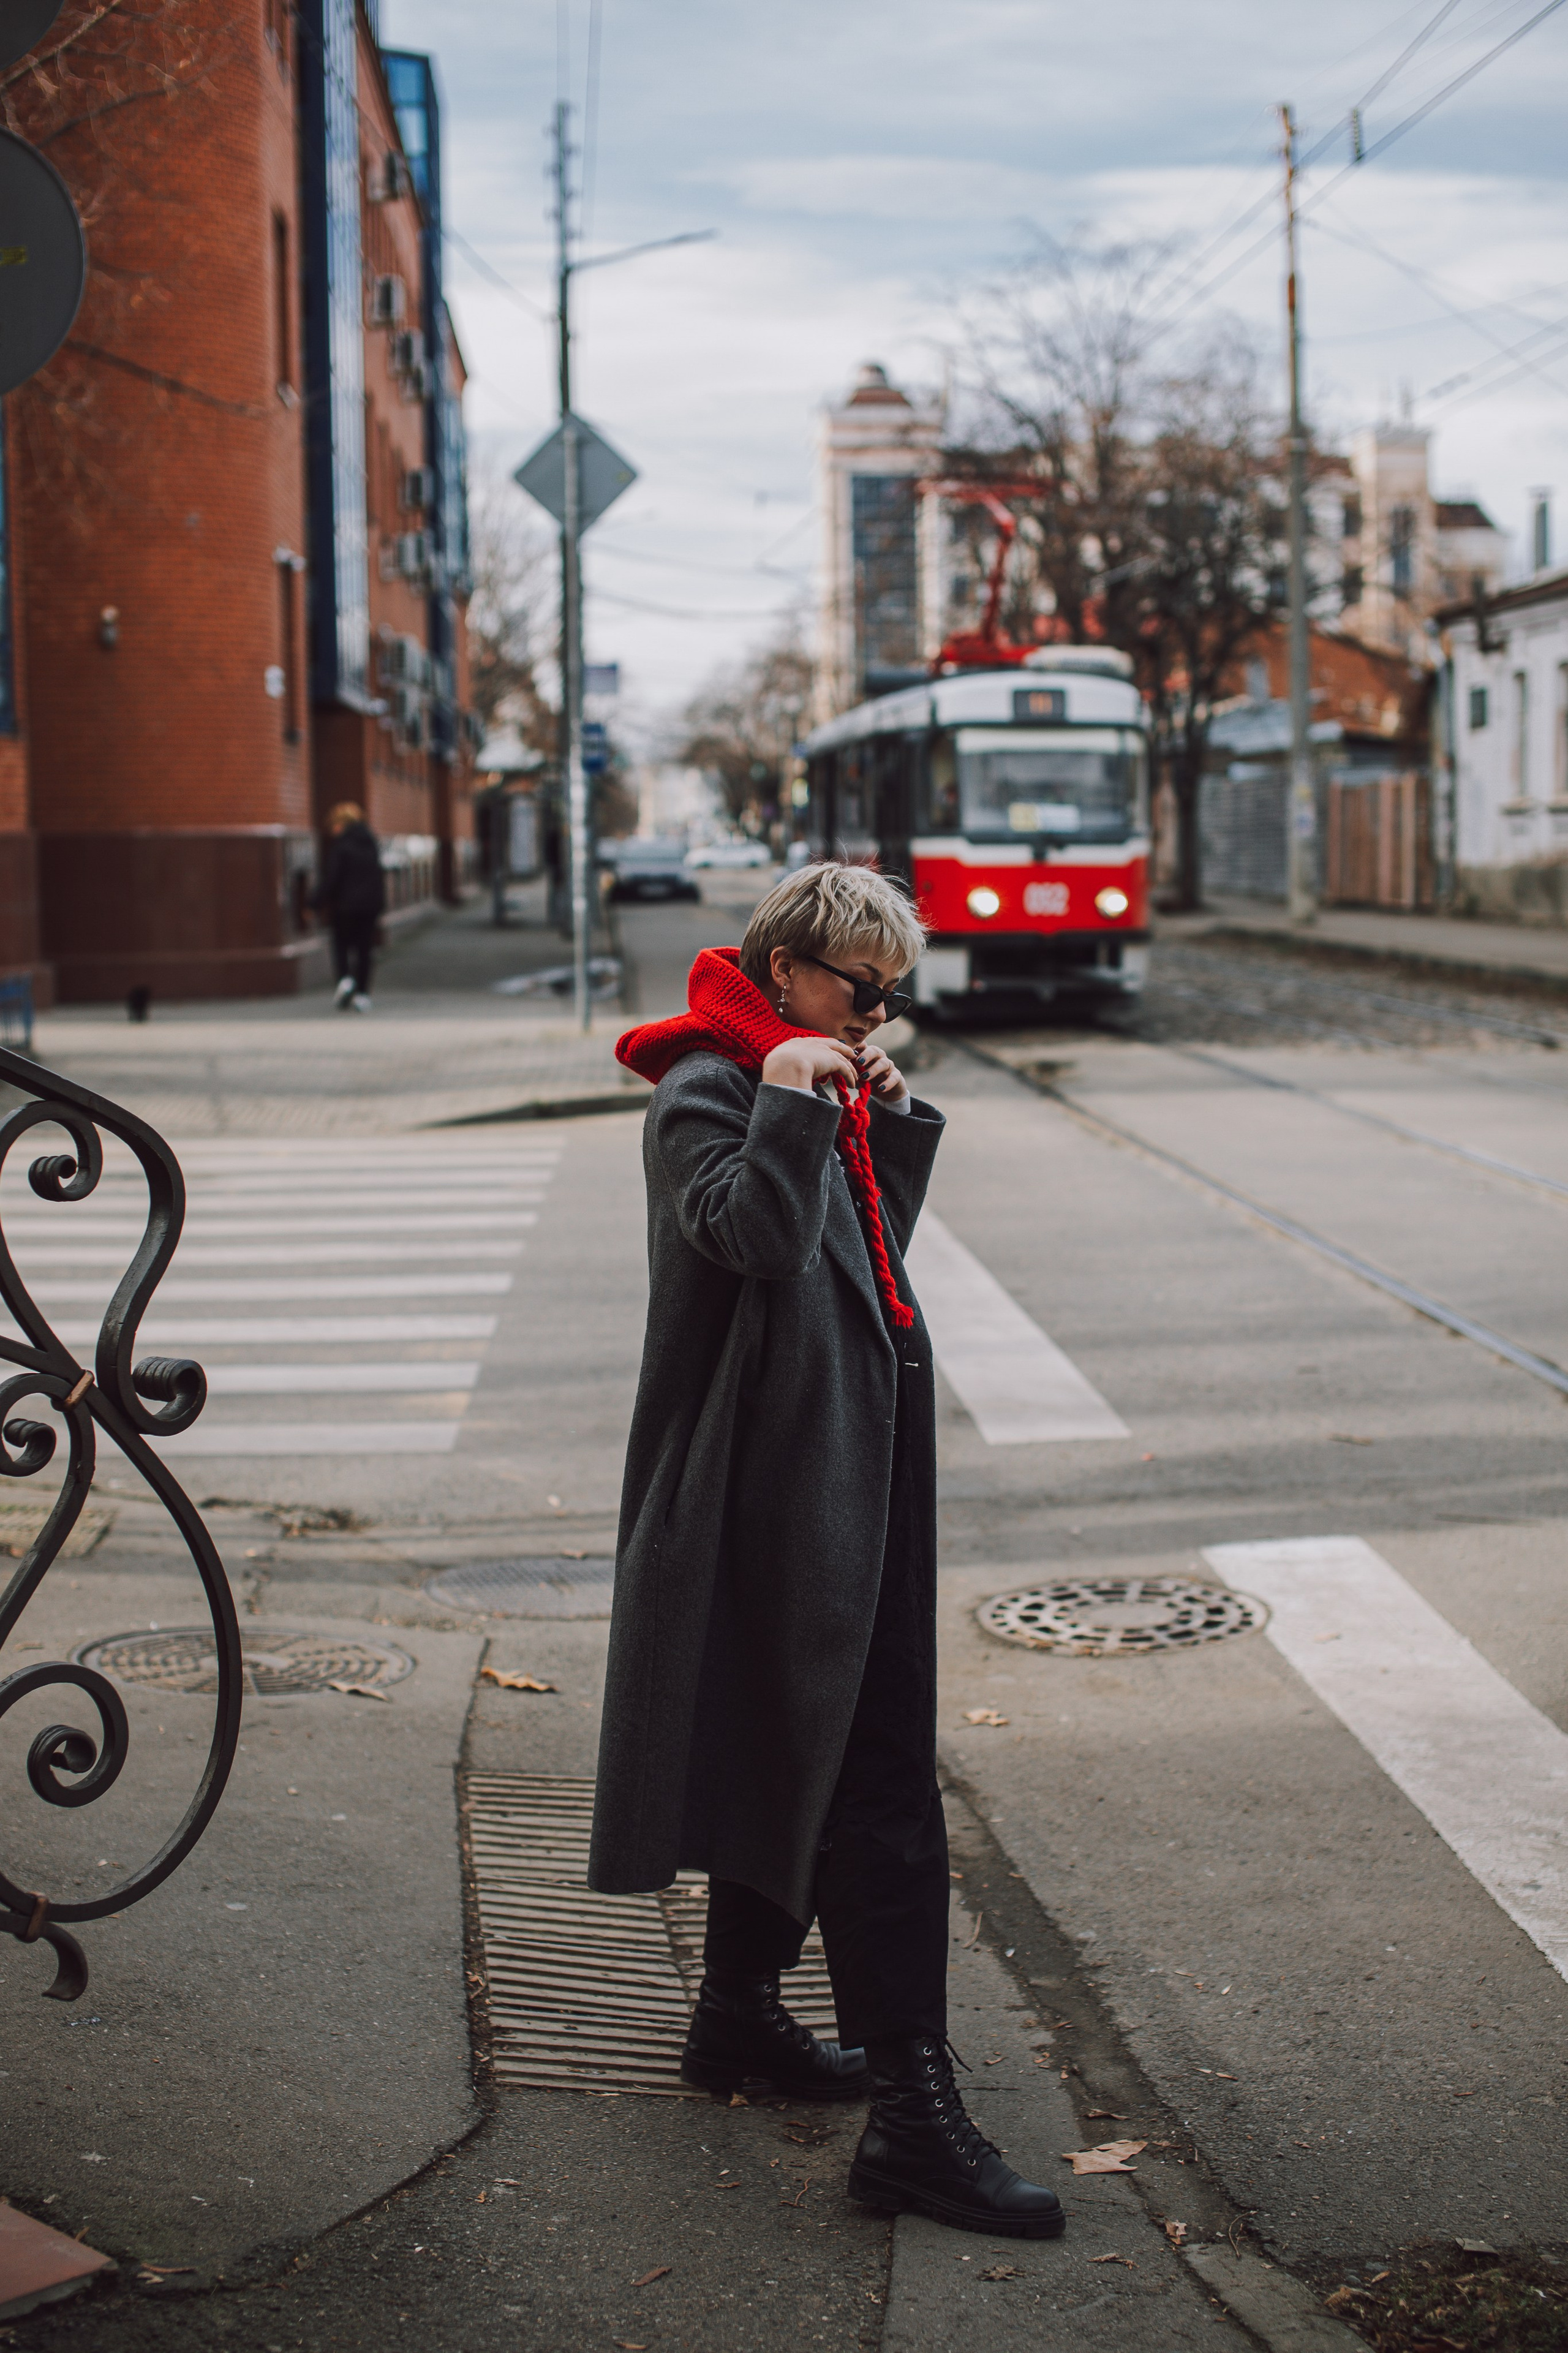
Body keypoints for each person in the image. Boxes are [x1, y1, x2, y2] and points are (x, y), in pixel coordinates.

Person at [590, 858, 1064, 2242]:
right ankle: (914, 2119)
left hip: (849, 1465)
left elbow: (859, 1269)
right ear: (787, 966)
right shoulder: (703, 1089)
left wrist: (883, 1124)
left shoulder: (804, 1078)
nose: (873, 1018)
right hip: (773, 1496)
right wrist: (798, 1096)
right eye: (862, 991)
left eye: (889, 1000)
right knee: (877, 1787)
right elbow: (756, 1238)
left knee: (796, 1751)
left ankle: (737, 2012)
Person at [315, 803, 385, 1012]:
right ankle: (363, 995)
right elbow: (378, 875)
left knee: (341, 946)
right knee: (365, 950)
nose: (333, 830)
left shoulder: (342, 847)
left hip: (345, 906)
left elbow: (332, 879)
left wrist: (315, 902)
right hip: (370, 906)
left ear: (341, 824)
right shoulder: (371, 843)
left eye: (334, 825)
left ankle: (345, 980)